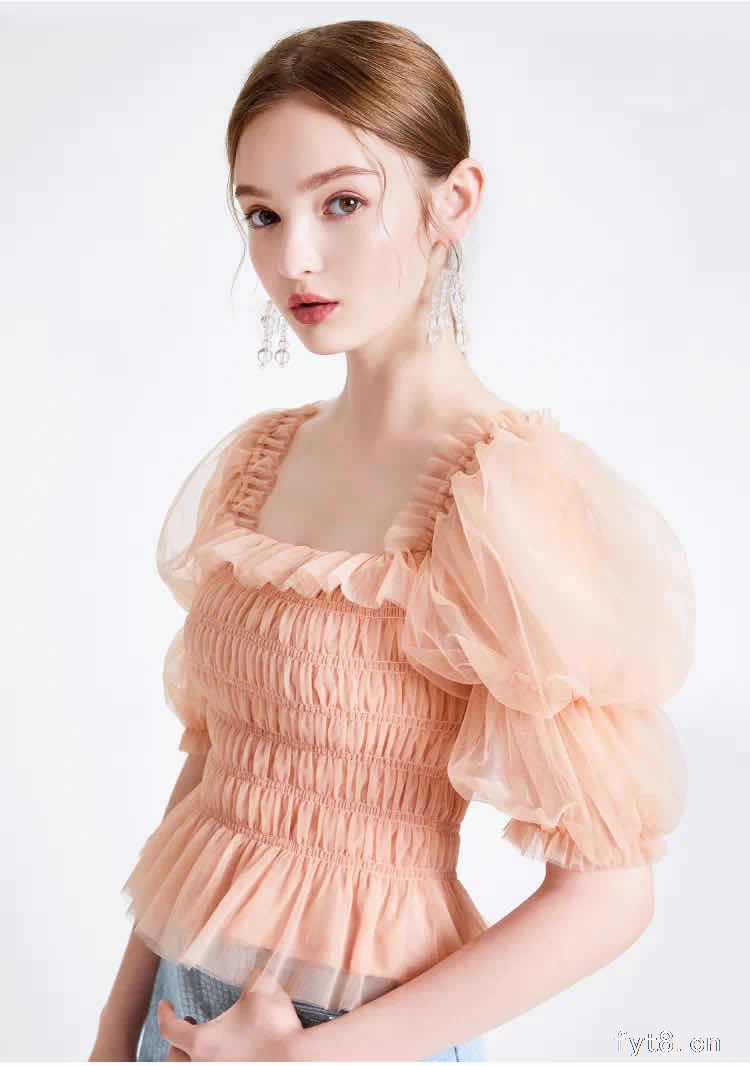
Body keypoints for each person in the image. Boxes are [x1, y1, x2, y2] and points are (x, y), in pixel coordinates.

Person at [89, 19, 696, 1063]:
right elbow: (215, 774)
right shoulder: (258, 460)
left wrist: (307, 1055)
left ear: (452, 201)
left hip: (350, 1037)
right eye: (262, 214)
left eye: (342, 203)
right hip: (178, 1027)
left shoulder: (507, 498)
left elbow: (609, 894)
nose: (295, 256)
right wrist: (114, 1035)